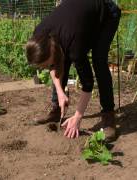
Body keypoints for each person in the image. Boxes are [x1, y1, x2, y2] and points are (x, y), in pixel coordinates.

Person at [26, 0, 121, 141]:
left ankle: (108, 116)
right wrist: (60, 91)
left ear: (51, 50)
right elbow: (53, 65)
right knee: (61, 59)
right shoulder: (39, 36)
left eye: (48, 64)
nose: (48, 68)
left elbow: (87, 84)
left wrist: (78, 116)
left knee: (98, 61)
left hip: (106, 14)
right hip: (79, 19)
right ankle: (57, 110)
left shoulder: (75, 46)